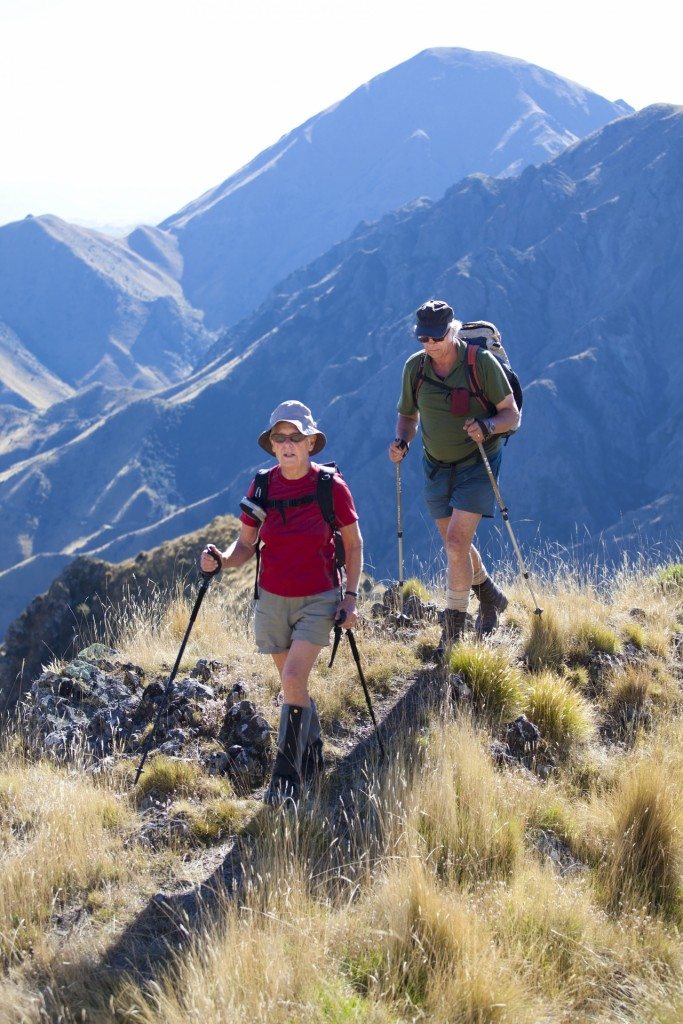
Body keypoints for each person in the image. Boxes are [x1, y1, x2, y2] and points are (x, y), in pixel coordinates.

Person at [200, 400, 363, 806]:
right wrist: (221, 560)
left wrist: (351, 597)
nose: (288, 445)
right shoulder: (262, 486)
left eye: (296, 437)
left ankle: (285, 779)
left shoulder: (331, 487)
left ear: (310, 443)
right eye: (280, 438)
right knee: (294, 684)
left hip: (318, 598)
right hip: (272, 599)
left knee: (292, 679)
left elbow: (353, 543)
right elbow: (245, 546)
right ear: (272, 445)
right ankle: (313, 753)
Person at [387, 299, 520, 655]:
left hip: (477, 460)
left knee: (457, 544)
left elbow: (512, 415)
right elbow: (407, 417)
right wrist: (402, 441)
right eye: (422, 339)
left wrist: (487, 425)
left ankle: (453, 630)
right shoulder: (415, 369)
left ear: (452, 330)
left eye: (435, 337)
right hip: (435, 464)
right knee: (455, 545)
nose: (429, 344)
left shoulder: (481, 364)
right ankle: (489, 596)